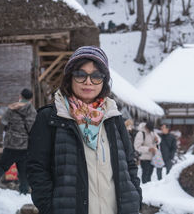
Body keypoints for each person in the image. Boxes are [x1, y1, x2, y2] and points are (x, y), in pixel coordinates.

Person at [26, 46, 141, 214]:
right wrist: (50, 208)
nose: (88, 81)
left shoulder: (113, 117)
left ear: (104, 80)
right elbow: (37, 167)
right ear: (69, 78)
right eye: (80, 74)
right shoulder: (51, 117)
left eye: (96, 76)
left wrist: (135, 199)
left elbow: (129, 164)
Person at [0, 88, 36, 194]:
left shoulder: (12, 107)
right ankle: (23, 191)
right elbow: (32, 128)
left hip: (11, 143)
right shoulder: (31, 110)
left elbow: (3, 121)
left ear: (20, 97)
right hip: (24, 145)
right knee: (23, 169)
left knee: (2, 165)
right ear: (31, 99)